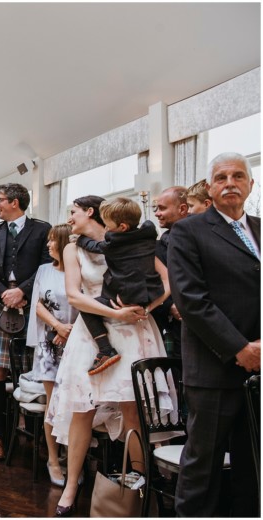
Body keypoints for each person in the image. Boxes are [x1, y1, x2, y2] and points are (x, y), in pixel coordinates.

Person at [46, 196, 173, 517]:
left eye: (72, 211)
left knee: (133, 413)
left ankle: (140, 486)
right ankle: (72, 486)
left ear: (91, 212)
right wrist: (114, 313)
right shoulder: (72, 249)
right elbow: (75, 295)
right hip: (92, 338)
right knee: (82, 411)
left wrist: (146, 308)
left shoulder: (132, 243)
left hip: (133, 334)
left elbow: (168, 282)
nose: (69, 217)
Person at [169, 152, 260, 517]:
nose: (230, 183)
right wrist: (239, 348)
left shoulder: (261, 226)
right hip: (214, 367)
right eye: (221, 177)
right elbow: (191, 299)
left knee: (254, 465)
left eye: (238, 176)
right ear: (210, 188)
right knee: (202, 469)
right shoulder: (189, 231)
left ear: (250, 185)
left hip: (261, 365)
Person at [0, 183, 51, 459]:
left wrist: (23, 292)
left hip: (33, 308)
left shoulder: (42, 230)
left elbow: (47, 267)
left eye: (0, 200)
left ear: (15, 203)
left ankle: (36, 435)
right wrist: (4, 294)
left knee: (35, 370)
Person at [75, 197, 165, 374]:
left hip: (127, 296)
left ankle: (105, 349)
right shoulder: (147, 234)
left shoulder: (114, 244)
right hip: (150, 292)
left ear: (122, 227)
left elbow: (94, 246)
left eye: (108, 226)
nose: (106, 229)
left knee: (88, 308)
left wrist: (79, 241)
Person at [24, 224, 76, 486]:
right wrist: (57, 327)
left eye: (53, 241)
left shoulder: (79, 269)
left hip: (77, 341)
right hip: (49, 345)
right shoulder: (44, 270)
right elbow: (37, 305)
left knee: (75, 404)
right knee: (53, 403)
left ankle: (72, 456)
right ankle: (53, 459)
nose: (48, 245)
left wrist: (71, 331)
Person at [152, 186, 189, 359]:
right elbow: (152, 284)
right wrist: (170, 306)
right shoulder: (157, 247)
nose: (157, 213)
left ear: (182, 209)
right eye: (156, 208)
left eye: (162, 208)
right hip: (174, 327)